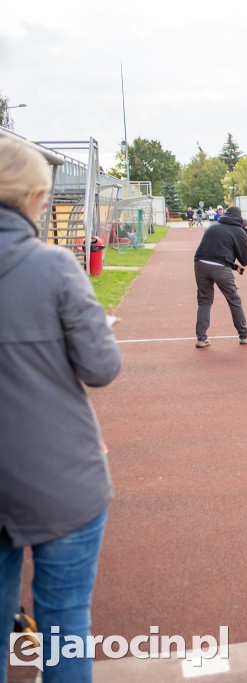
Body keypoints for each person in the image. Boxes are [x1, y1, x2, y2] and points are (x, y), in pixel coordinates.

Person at [0, 137, 122, 683]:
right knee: (65, 619)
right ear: (34, 196)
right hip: (59, 472)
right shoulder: (54, 267)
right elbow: (101, 366)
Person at [194, 206, 247, 346]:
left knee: (204, 301)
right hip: (220, 268)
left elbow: (215, 253)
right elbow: (245, 260)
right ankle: (244, 335)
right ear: (239, 218)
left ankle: (201, 338)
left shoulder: (213, 226)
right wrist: (243, 240)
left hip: (199, 264)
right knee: (234, 300)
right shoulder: (238, 231)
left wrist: (234, 266)